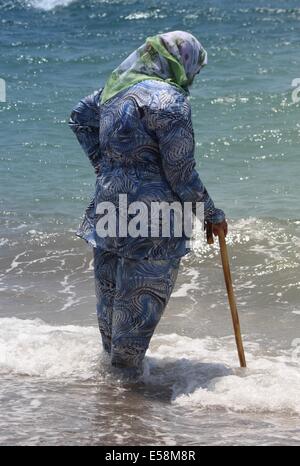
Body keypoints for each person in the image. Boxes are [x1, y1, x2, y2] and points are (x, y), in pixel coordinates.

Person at [69, 31, 227, 379]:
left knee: (110, 313)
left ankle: (112, 394)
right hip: (156, 220)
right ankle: (125, 406)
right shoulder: (171, 101)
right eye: (195, 68)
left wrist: (106, 166)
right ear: (180, 61)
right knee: (137, 316)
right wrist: (212, 215)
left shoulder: (113, 92)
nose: (194, 76)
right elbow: (181, 173)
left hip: (109, 207)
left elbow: (80, 116)